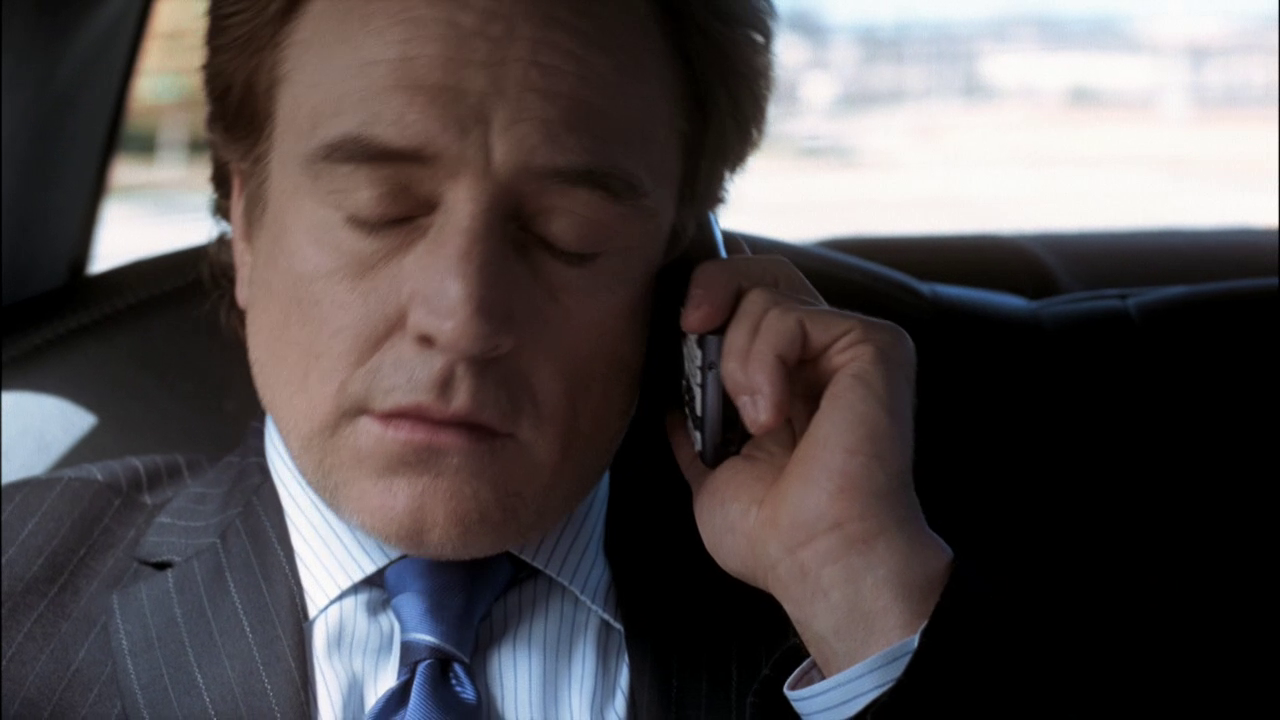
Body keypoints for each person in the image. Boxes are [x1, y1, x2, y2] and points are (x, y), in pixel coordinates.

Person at [2, 1, 982, 717]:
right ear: (244, 222)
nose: (462, 317)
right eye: (381, 211)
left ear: (683, 267)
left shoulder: (876, 600)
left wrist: (856, 601)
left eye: (568, 233)